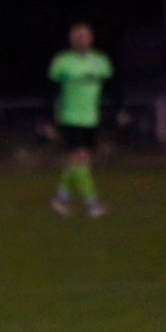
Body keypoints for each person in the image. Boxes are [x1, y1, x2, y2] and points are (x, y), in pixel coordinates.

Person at [47, 22, 114, 218]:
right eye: (77, 36)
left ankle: (60, 200)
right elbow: (49, 91)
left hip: (91, 118)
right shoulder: (62, 61)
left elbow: (111, 88)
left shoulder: (101, 61)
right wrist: (49, 118)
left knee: (78, 161)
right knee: (81, 158)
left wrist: (119, 111)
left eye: (84, 35)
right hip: (69, 117)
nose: (81, 39)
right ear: (71, 40)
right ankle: (92, 206)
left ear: (91, 38)